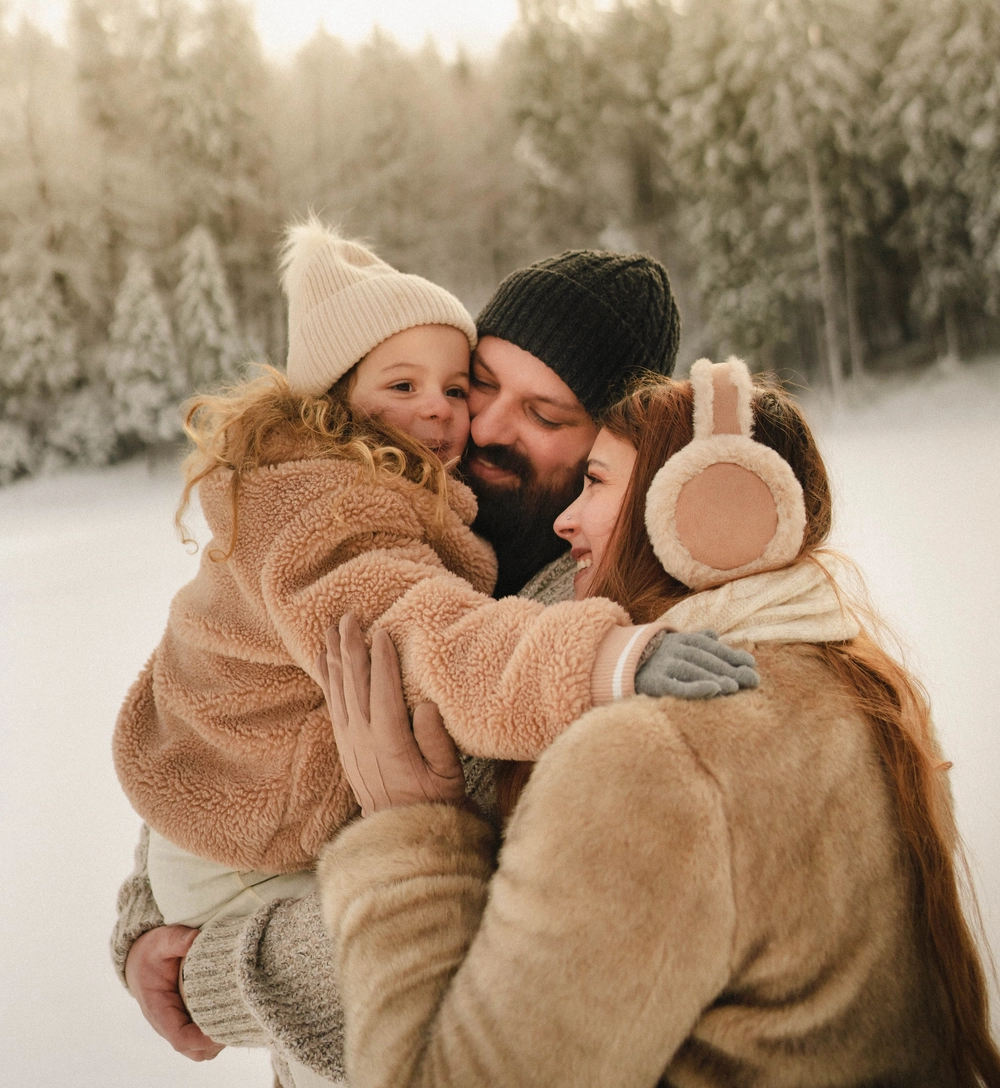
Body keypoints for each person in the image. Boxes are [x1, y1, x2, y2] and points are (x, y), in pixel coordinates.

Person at [112, 238, 753, 1085]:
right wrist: (144, 920)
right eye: (481, 383)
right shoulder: (384, 498)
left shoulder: (619, 613)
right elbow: (218, 701)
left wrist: (207, 976)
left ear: (613, 447)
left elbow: (505, 964)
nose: (478, 424)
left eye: (545, 415)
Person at [317, 360, 1000, 1088]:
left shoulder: (657, 760)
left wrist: (409, 832)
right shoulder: (864, 695)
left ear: (695, 510)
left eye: (598, 482)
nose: (565, 519)